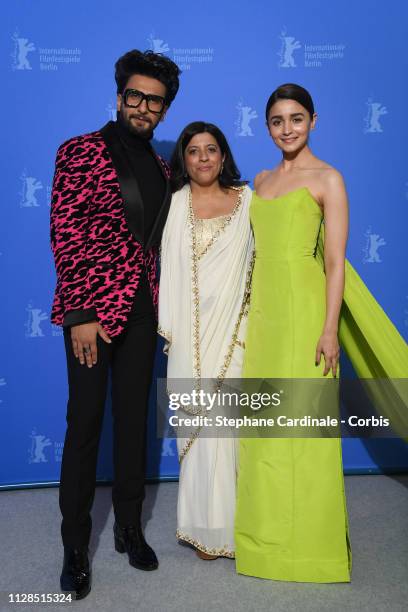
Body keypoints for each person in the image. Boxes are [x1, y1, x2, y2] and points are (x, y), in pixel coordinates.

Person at [234, 83, 408, 582]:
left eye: (296, 118)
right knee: (262, 432)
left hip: (306, 313)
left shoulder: (329, 179)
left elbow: (335, 263)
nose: (286, 129)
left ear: (313, 120)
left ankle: (312, 550)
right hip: (265, 316)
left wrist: (329, 328)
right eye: (276, 121)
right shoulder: (261, 182)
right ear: (265, 126)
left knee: (306, 435)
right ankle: (263, 546)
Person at [50, 49, 180, 599]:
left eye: (155, 100)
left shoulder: (162, 166)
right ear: (119, 94)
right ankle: (75, 545)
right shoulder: (81, 151)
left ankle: (129, 528)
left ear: (164, 108)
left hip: (143, 312)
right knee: (84, 425)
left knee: (131, 424)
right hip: (91, 314)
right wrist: (79, 313)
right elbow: (66, 231)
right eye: (136, 95)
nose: (143, 107)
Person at [158, 122, 254, 560]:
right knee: (200, 431)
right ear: (184, 158)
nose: (202, 159)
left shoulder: (249, 200)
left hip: (237, 334)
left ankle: (241, 526)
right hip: (190, 340)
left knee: (232, 432)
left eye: (210, 150)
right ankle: (205, 528)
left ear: (223, 155)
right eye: (193, 151)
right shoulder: (174, 204)